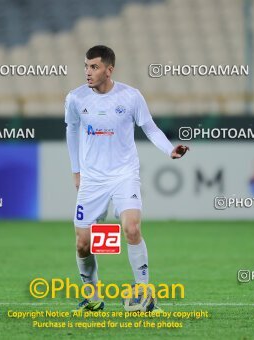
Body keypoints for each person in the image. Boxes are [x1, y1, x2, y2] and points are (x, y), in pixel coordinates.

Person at [65, 45, 189, 312]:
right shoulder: (75, 99)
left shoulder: (130, 96)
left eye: (94, 67)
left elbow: (149, 127)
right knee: (83, 242)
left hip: (124, 174)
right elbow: (72, 132)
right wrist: (76, 170)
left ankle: (145, 294)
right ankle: (92, 296)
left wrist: (170, 149)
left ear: (109, 70)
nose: (88, 72)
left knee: (131, 228)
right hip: (92, 180)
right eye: (86, 66)